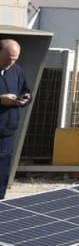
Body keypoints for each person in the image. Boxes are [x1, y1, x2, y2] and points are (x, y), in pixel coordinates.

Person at [0, 39, 32, 186]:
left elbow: (26, 91)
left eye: (14, 59)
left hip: (7, 131)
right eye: (8, 59)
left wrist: (25, 99)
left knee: (2, 170)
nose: (11, 63)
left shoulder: (17, 70)